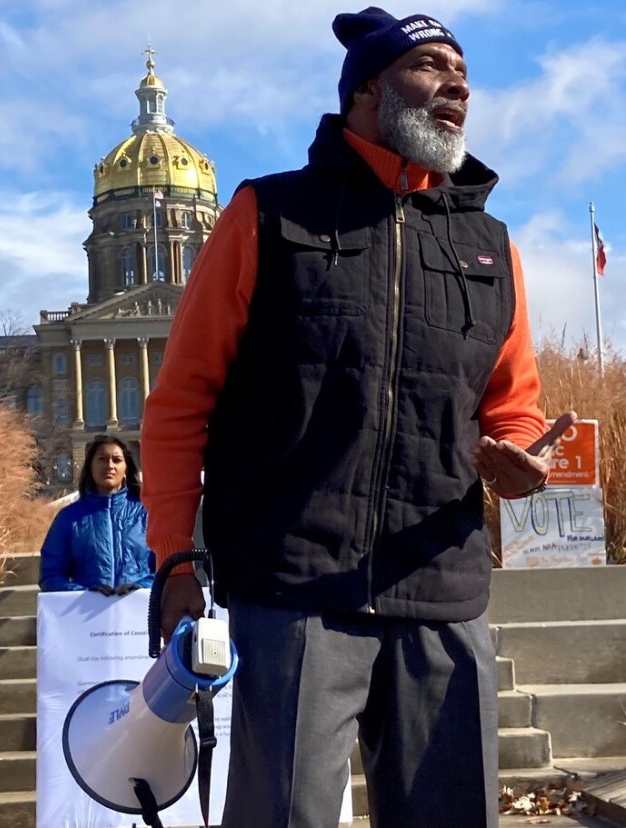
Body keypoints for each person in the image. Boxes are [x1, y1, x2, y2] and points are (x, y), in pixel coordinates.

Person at [141, 8, 575, 828]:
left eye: (465, 72)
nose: (459, 83)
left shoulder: (493, 246)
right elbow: (179, 405)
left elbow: (514, 408)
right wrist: (174, 561)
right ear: (368, 89)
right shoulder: (265, 216)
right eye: (433, 65)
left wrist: (522, 458)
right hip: (292, 596)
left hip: (443, 600)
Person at [39, 434, 154, 594]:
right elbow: (51, 575)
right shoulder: (69, 518)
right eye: (102, 459)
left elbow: (167, 568)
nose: (109, 465)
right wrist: (84, 593)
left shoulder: (146, 514)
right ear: (90, 467)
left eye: (117, 460)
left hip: (139, 611)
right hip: (88, 613)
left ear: (126, 468)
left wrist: (142, 587)